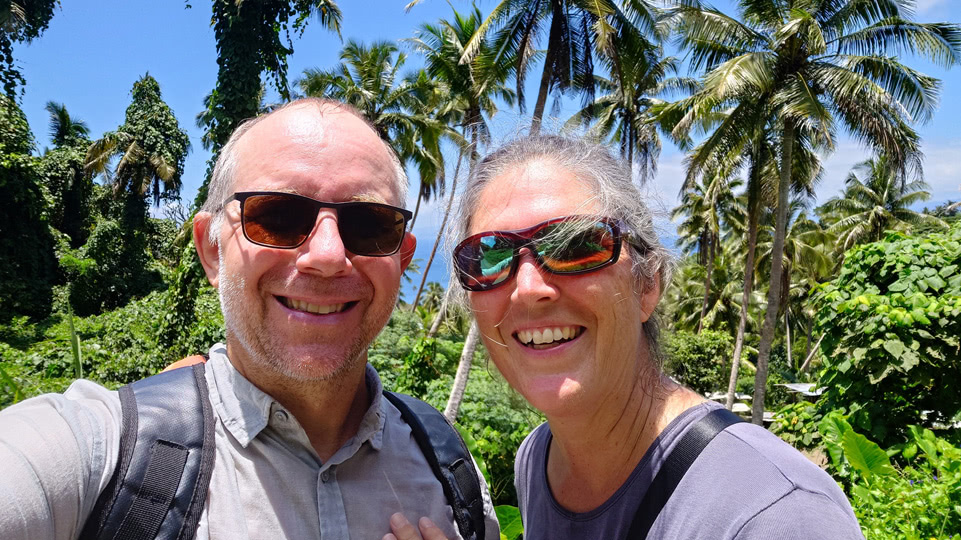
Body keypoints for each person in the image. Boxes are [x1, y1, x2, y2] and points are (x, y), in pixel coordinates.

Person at [0, 98, 498, 540]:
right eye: (278, 217)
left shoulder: (450, 473)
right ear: (212, 250)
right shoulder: (99, 452)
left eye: (368, 225)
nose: (327, 255)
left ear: (401, 258)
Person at [446, 135, 864, 539]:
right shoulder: (537, 459)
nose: (529, 287)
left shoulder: (775, 513)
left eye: (575, 245)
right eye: (490, 256)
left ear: (647, 285)